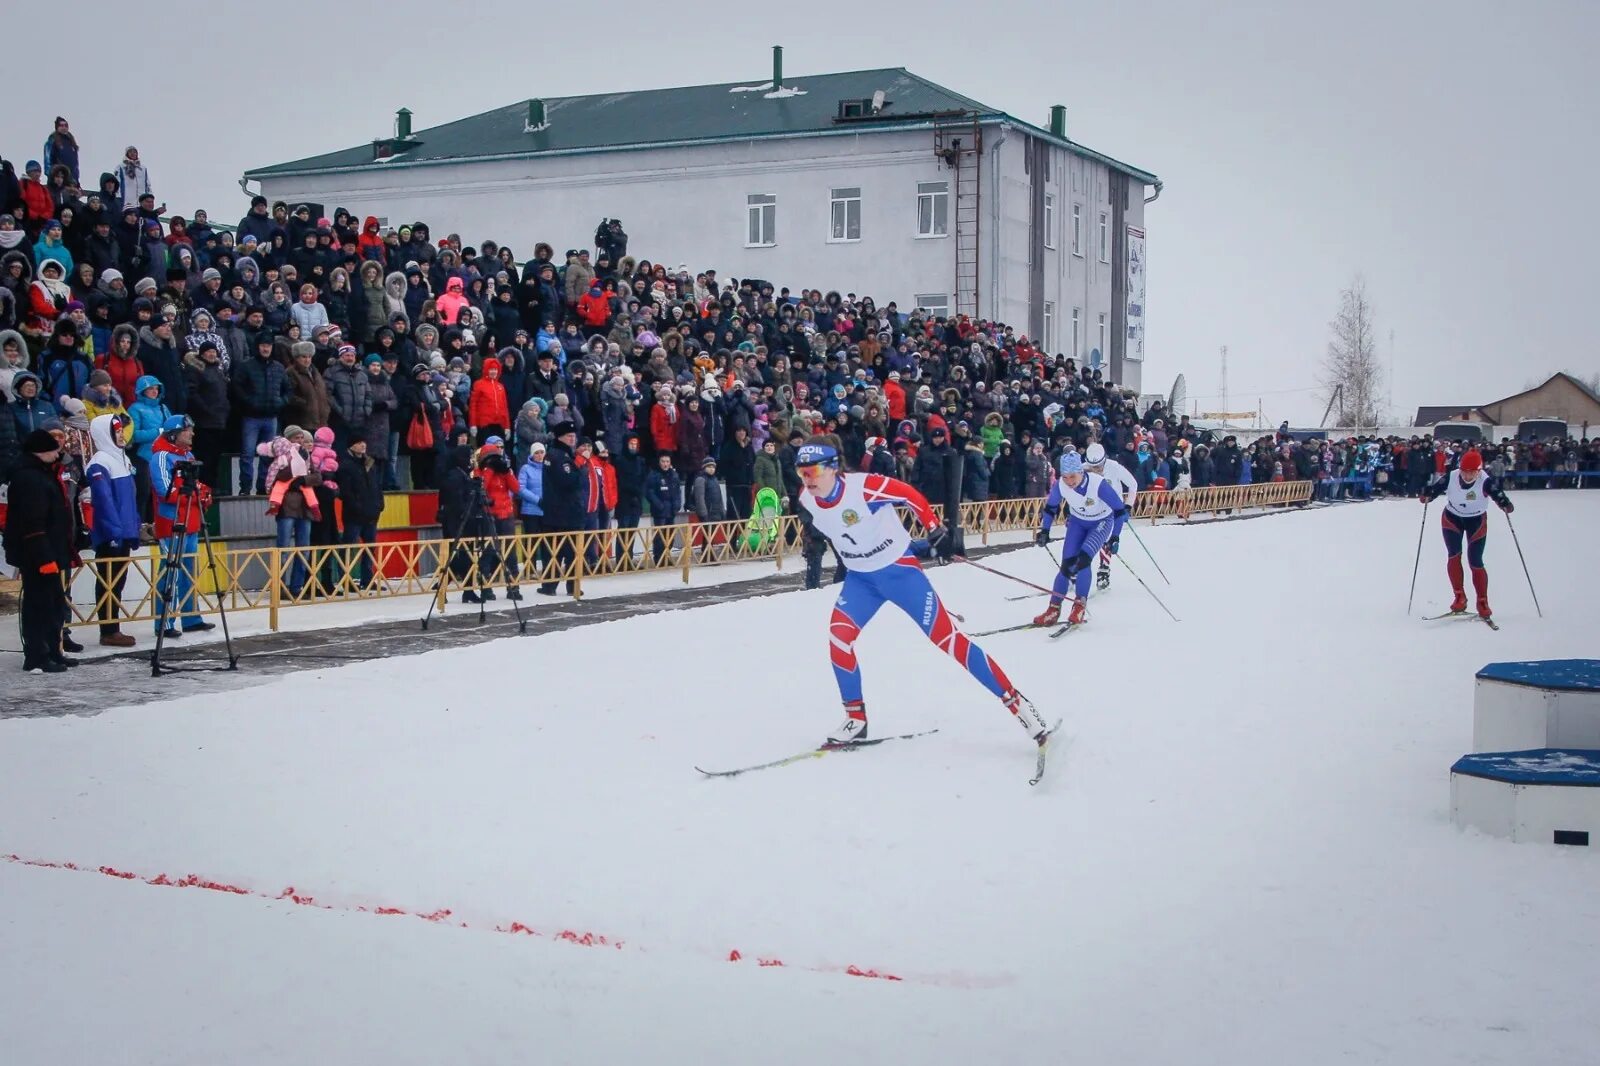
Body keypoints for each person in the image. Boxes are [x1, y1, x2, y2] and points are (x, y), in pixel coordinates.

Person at [793, 437, 1050, 748]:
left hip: (900, 574)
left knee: (949, 641)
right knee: (839, 639)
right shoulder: (806, 499)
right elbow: (840, 530)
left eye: (814, 471)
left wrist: (933, 529)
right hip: (861, 580)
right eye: (801, 472)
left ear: (833, 468)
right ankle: (855, 718)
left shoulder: (864, 487)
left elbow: (909, 495)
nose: (808, 479)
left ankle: (1018, 705)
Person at [4, 429, 75, 672]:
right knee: (38, 605)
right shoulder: (29, 478)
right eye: (54, 450)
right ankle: (37, 655)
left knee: (54, 603)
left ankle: (54, 650)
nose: (58, 454)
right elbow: (33, 523)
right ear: (41, 452)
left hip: (50, 549)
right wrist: (44, 557)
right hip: (37, 553)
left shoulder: (42, 473)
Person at [1033, 451, 1127, 628]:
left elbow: (1120, 511)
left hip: (1100, 522)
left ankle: (1079, 605)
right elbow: (1051, 508)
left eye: (1073, 476)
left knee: (1083, 560)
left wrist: (1115, 537)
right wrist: (1045, 530)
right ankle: (1053, 609)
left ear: (1081, 472)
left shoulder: (1097, 484)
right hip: (1077, 522)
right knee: (1067, 565)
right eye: (1065, 477)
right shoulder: (1061, 485)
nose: (1069, 481)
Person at [1420, 447, 1513, 619]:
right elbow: (1436, 488)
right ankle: (1459, 597)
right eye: (1464, 472)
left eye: (1472, 473)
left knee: (1475, 561)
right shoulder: (1452, 476)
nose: (1467, 476)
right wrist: (1428, 495)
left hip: (1476, 521)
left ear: (1479, 471)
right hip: (1452, 519)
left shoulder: (1485, 480)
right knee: (1454, 555)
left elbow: (1497, 494)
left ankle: (1482, 601)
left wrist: (1504, 503)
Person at [149, 414, 215, 636]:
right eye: (189, 431)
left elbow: (194, 486)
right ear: (175, 433)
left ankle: (191, 618)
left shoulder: (188, 454)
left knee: (188, 571)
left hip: (192, 520)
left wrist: (203, 493)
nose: (193, 434)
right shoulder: (160, 457)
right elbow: (165, 491)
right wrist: (197, 494)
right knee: (170, 572)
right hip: (172, 521)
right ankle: (164, 623)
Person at [84, 412, 141, 647]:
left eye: (121, 431)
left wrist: (135, 526)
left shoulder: (122, 458)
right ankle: (108, 630)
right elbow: (104, 501)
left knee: (119, 581)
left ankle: (113, 627)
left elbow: (132, 498)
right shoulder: (100, 462)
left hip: (125, 531)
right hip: (111, 534)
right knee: (109, 581)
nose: (121, 435)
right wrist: (115, 531)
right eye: (116, 431)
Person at [1084, 441, 1137, 590]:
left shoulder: (1114, 467)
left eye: (1099, 466)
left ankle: (1104, 569)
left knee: (1109, 540)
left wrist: (1127, 506)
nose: (1096, 470)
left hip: (1114, 510)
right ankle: (1077, 569)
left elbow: (1133, 484)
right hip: (1094, 510)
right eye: (1093, 467)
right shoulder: (1083, 470)